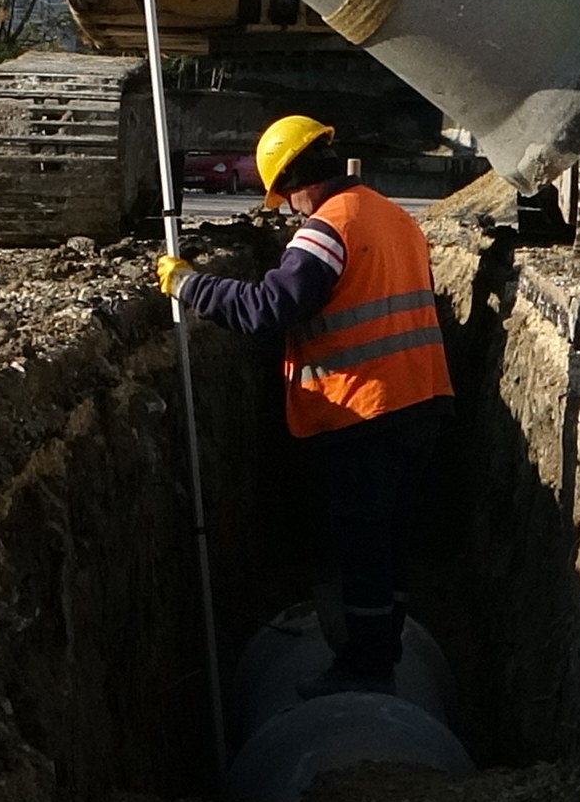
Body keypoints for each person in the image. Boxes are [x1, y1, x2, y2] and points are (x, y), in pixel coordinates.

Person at [156, 115, 454, 696]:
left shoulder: (327, 226)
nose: (288, 209)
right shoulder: (393, 216)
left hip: (364, 408)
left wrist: (191, 285)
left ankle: (365, 670)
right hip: (421, 400)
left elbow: (270, 308)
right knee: (390, 541)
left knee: (362, 548)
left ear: (296, 178)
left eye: (286, 195)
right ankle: (384, 646)